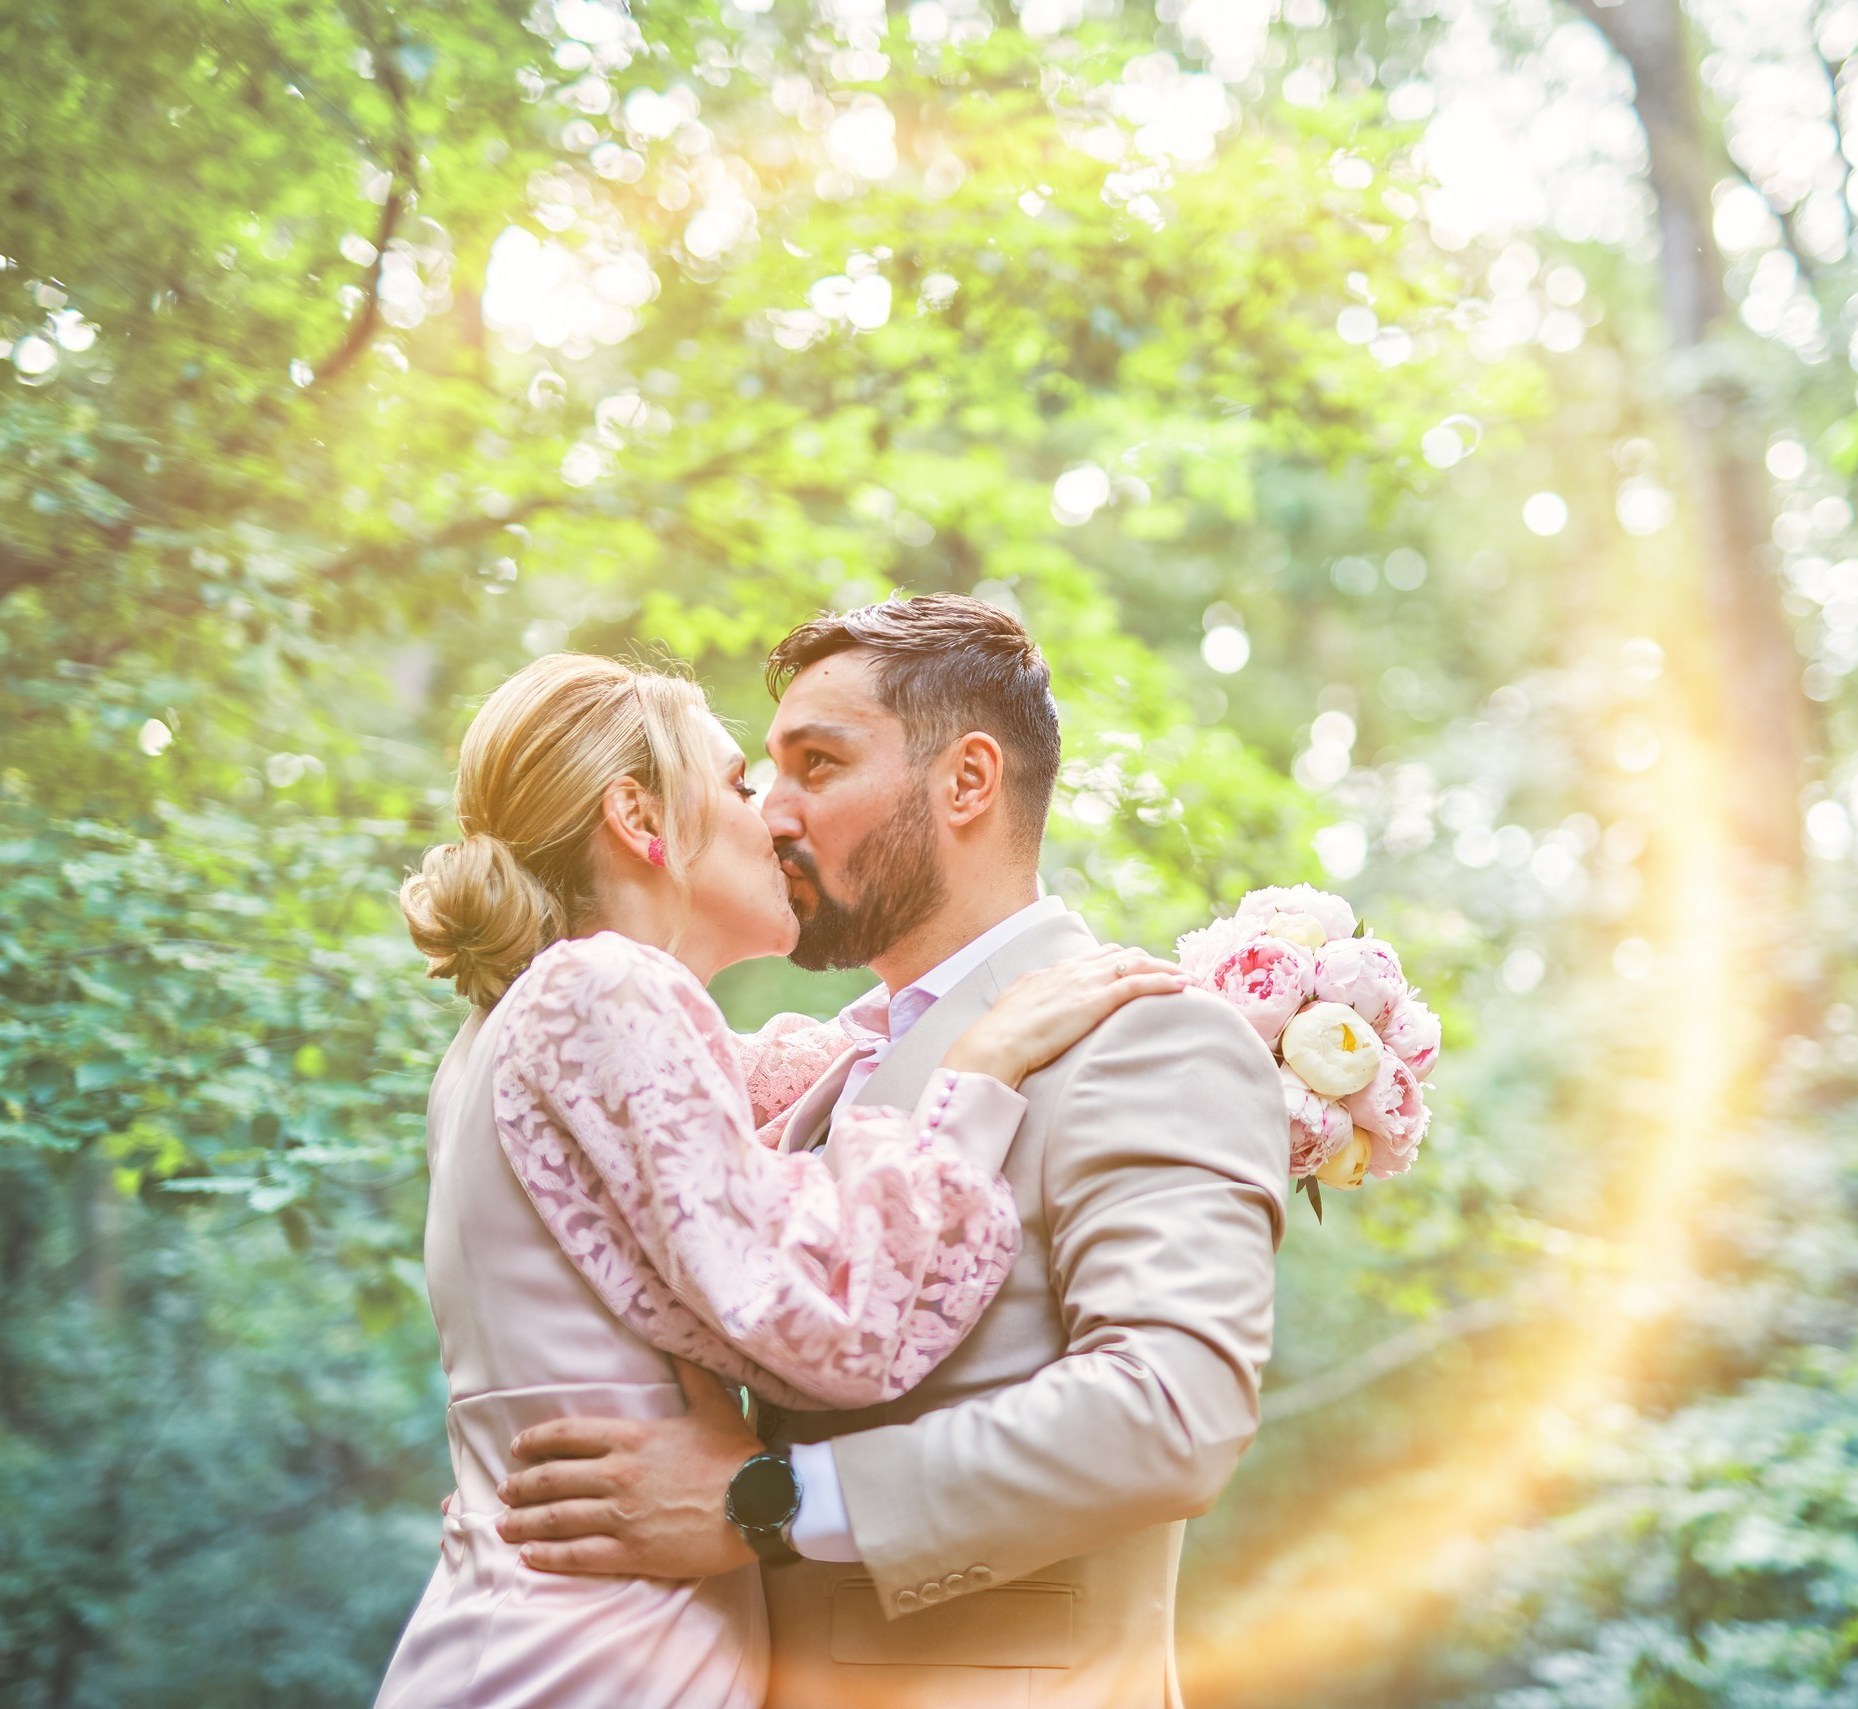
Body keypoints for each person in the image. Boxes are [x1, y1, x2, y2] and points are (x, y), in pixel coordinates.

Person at [493, 597, 1290, 1708]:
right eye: (766, 774)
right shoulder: (836, 1066)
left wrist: (761, 1500)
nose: (773, 815)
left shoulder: (1148, 1034)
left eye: (818, 764)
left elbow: (1170, 1411)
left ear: (966, 782)